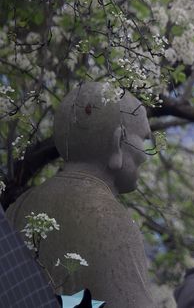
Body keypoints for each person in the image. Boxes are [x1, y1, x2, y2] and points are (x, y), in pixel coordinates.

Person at [7, 82, 155, 307]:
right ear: (117, 141)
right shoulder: (109, 219)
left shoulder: (19, 206)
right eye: (143, 139)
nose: (145, 154)